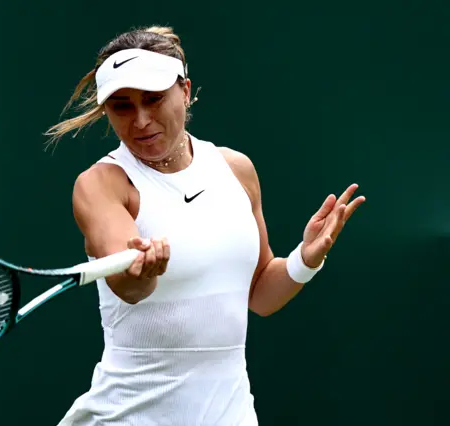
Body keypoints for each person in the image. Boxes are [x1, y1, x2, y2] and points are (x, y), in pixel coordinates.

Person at [44, 25, 365, 426]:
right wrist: (145, 272)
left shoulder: (237, 170)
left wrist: (305, 259)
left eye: (154, 99)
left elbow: (260, 293)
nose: (141, 120)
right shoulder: (101, 185)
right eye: (122, 106)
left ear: (185, 90)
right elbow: (127, 285)